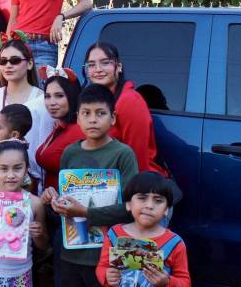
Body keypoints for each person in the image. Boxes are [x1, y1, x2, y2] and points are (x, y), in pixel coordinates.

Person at [40, 84, 139, 287]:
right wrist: (54, 198)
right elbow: (68, 196)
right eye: (86, 113)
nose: (93, 119)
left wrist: (85, 212)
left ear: (113, 118)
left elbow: (131, 208)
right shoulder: (70, 153)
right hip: (71, 252)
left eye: (100, 113)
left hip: (107, 256)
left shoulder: (123, 154)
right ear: (78, 118)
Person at [0, 140, 48, 287]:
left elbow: (43, 245)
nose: (11, 175)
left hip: (21, 272)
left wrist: (39, 234)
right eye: (4, 169)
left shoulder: (34, 203)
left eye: (17, 168)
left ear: (26, 169)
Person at [82, 42, 167, 176]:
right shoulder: (95, 101)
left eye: (105, 62)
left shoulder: (130, 101)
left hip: (134, 185)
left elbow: (137, 159)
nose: (98, 69)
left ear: (119, 67)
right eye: (91, 65)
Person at [96, 172, 191, 287]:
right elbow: (102, 266)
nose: (149, 205)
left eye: (158, 200)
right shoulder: (114, 234)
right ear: (128, 204)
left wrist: (167, 282)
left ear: (166, 209)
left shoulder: (175, 243)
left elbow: (185, 282)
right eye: (142, 198)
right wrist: (106, 275)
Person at [0, 37, 50, 182]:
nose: (8, 65)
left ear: (30, 63)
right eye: (3, 61)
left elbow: (45, 146)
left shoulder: (44, 101)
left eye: (15, 60)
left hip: (32, 183)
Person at [34, 70, 84, 191]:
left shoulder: (80, 131)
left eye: (59, 96)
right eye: (47, 96)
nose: (52, 103)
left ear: (72, 96)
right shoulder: (58, 128)